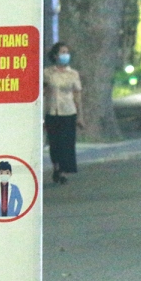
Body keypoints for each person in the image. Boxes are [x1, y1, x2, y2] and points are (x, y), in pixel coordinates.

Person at [43, 42, 84, 184]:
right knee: (54, 143)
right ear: (55, 55)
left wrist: (80, 116)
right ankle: (56, 167)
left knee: (66, 143)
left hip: (68, 112)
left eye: (67, 52)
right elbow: (42, 92)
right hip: (52, 112)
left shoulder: (73, 74)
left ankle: (63, 170)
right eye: (62, 52)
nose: (65, 55)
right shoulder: (47, 73)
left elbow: (77, 95)